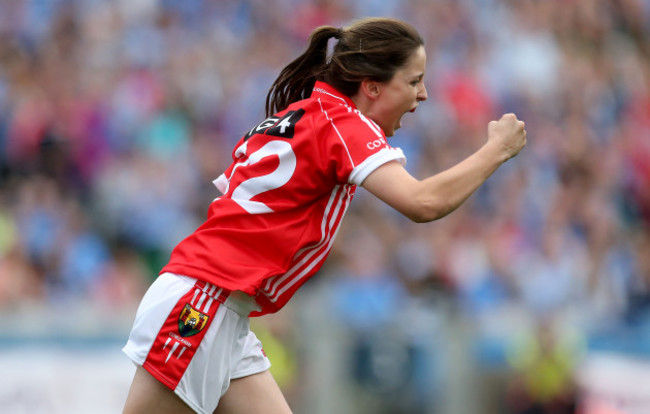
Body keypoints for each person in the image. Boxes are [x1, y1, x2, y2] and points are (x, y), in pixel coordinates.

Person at [121, 17, 527, 414]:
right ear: (371, 87)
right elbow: (423, 203)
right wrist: (496, 151)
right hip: (204, 304)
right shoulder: (344, 124)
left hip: (221, 310)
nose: (423, 95)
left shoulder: (303, 114)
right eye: (414, 80)